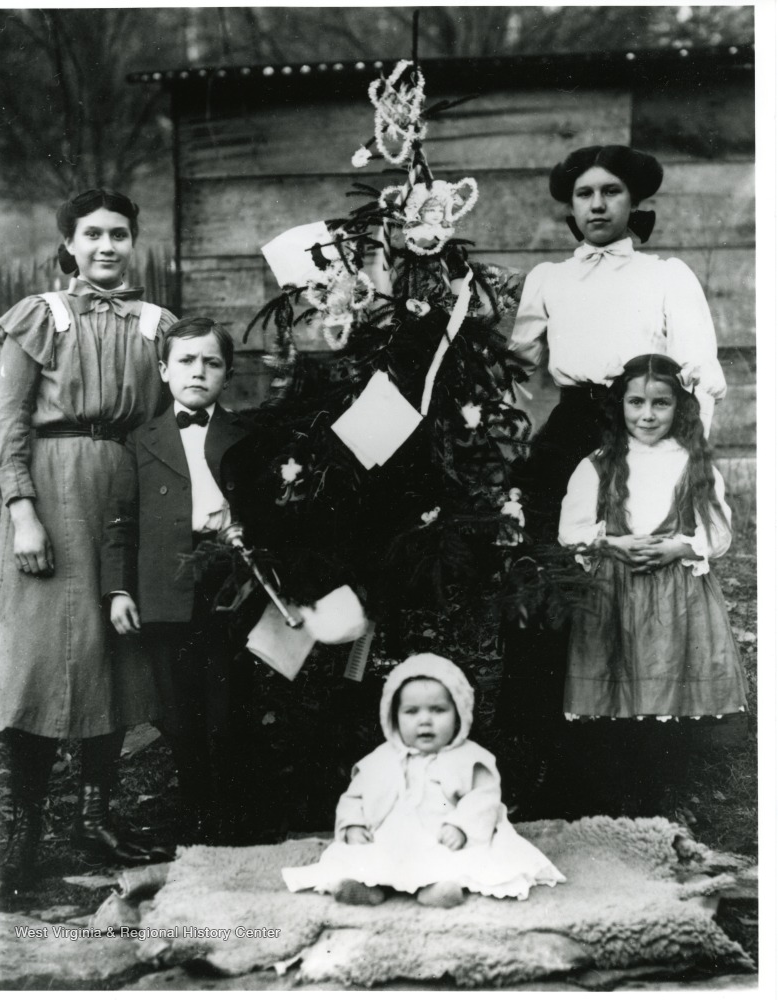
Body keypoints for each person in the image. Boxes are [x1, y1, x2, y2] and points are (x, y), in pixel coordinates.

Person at [497, 146, 727, 815]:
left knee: (635, 592)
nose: (597, 205)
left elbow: (697, 372)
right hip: (573, 435)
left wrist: (691, 467)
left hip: (647, 429)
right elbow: (514, 372)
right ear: (569, 205)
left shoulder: (666, 275)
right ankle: (555, 765)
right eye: (584, 194)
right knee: (558, 585)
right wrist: (509, 445)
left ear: (634, 203)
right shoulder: (549, 278)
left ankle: (641, 775)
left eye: (612, 192)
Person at [0, 189, 178, 891]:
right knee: (38, 658)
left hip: (124, 498)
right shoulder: (43, 316)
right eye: (92, 234)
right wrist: (22, 509)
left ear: (133, 240)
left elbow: (176, 421)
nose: (107, 247)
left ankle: (95, 817)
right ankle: (23, 833)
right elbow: (6, 422)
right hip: (52, 498)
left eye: (119, 233)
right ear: (70, 243)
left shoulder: (158, 325)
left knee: (114, 658)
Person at [557, 354, 747, 814]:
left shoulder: (692, 465)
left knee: (666, 686)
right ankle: (620, 796)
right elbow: (571, 528)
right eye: (636, 402)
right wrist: (612, 543)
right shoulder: (599, 464)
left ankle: (664, 795)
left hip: (675, 595)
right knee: (617, 685)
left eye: (660, 404)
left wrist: (678, 548)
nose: (646, 415)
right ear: (619, 405)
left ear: (678, 407)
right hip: (615, 593)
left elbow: (717, 534)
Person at [102, 317, 263, 846]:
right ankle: (196, 815)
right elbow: (120, 522)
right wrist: (120, 589)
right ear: (165, 370)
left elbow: (271, 513)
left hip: (228, 583)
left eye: (212, 363)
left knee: (229, 706)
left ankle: (235, 816)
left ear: (227, 373)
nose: (199, 372)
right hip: (165, 588)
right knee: (180, 712)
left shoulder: (247, 436)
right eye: (188, 361)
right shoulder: (141, 440)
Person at [282, 654, 565, 907]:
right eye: (412, 711)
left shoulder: (470, 758)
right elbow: (354, 797)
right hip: (389, 837)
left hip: (443, 836)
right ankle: (366, 888)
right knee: (359, 857)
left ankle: (439, 888)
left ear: (460, 714)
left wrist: (462, 827)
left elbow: (484, 798)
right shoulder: (381, 757)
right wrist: (353, 824)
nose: (425, 721)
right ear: (393, 716)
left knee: (458, 860)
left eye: (438, 710)